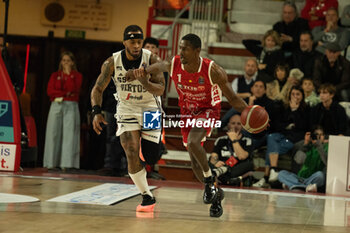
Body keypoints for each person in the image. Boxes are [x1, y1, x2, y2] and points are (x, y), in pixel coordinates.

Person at [129, 33, 247, 217]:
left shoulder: (212, 70)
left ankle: (209, 181)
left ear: (197, 51)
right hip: (187, 113)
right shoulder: (174, 63)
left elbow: (232, 98)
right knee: (195, 165)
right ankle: (216, 196)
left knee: (193, 142)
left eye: (185, 48)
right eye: (180, 48)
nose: (181, 51)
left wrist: (250, 113)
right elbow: (156, 67)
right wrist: (140, 72)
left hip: (208, 110)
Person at [91, 25, 165, 213]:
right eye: (132, 42)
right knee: (130, 148)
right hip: (127, 108)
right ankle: (146, 195)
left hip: (151, 109)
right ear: (124, 42)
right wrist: (96, 111)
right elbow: (98, 88)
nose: (136, 45)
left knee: (151, 157)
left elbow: (161, 89)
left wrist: (144, 81)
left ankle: (144, 166)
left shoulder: (152, 59)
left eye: (139, 41)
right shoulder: (111, 62)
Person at [253, 86, 310, 187]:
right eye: (293, 94)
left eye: (298, 94)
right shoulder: (283, 107)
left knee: (271, 148)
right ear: (289, 95)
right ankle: (273, 170)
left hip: (294, 139)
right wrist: (288, 125)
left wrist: (295, 110)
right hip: (282, 136)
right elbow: (277, 125)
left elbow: (303, 126)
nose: (295, 97)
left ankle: (266, 177)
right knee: (271, 137)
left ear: (302, 96)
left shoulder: (306, 109)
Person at [43, 51, 82, 171]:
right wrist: (65, 93)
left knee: (69, 134)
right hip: (56, 104)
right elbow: (50, 91)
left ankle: (67, 164)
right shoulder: (55, 75)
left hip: (71, 105)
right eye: (64, 60)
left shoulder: (77, 76)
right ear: (61, 62)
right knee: (52, 133)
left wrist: (69, 74)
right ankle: (50, 163)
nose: (66, 63)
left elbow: (74, 89)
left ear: (73, 62)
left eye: (68, 61)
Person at [278, 126, 327, 192]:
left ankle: (294, 186)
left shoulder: (326, 147)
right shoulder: (305, 145)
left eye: (322, 135)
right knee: (281, 173)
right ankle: (304, 187)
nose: (319, 137)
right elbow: (298, 161)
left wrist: (319, 146)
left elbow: (326, 162)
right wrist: (305, 144)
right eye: (317, 135)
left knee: (320, 175)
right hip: (300, 178)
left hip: (313, 178)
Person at [209, 114, 254, 186]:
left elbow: (242, 156)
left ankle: (224, 178)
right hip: (222, 165)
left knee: (249, 164)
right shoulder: (221, 140)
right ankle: (229, 180)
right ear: (228, 125)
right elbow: (213, 156)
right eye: (233, 123)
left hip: (237, 168)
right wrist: (216, 162)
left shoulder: (247, 140)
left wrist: (234, 140)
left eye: (239, 124)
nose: (235, 126)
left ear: (242, 126)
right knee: (208, 162)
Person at [97, 80, 127, 177]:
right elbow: (102, 90)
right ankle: (110, 165)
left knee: (126, 137)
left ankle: (126, 165)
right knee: (110, 138)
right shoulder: (111, 71)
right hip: (111, 108)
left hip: (127, 109)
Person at [221, 58, 259, 128]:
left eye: (252, 66)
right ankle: (219, 126)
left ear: (256, 68)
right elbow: (231, 95)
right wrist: (247, 94)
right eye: (248, 65)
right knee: (237, 108)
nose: (250, 68)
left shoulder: (258, 82)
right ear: (245, 67)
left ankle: (219, 126)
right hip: (238, 107)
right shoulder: (237, 80)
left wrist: (240, 95)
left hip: (252, 109)